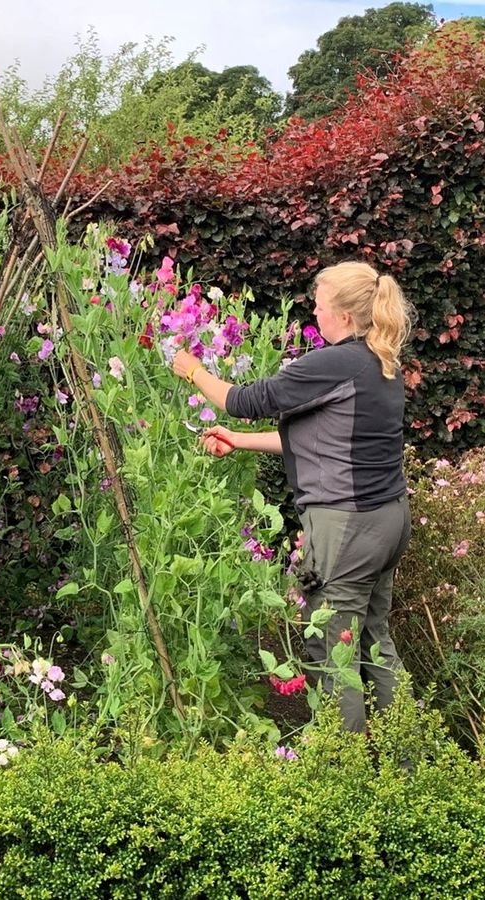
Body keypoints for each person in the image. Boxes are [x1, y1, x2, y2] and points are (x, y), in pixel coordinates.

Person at [171, 261, 412, 733]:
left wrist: (193, 369)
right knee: (371, 641)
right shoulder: (379, 361)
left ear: (343, 314)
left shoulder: (336, 361)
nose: (315, 314)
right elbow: (325, 440)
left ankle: (344, 774)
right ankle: (408, 763)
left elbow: (241, 400)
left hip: (347, 524)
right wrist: (241, 441)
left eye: (320, 306)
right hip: (387, 520)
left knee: (330, 646)